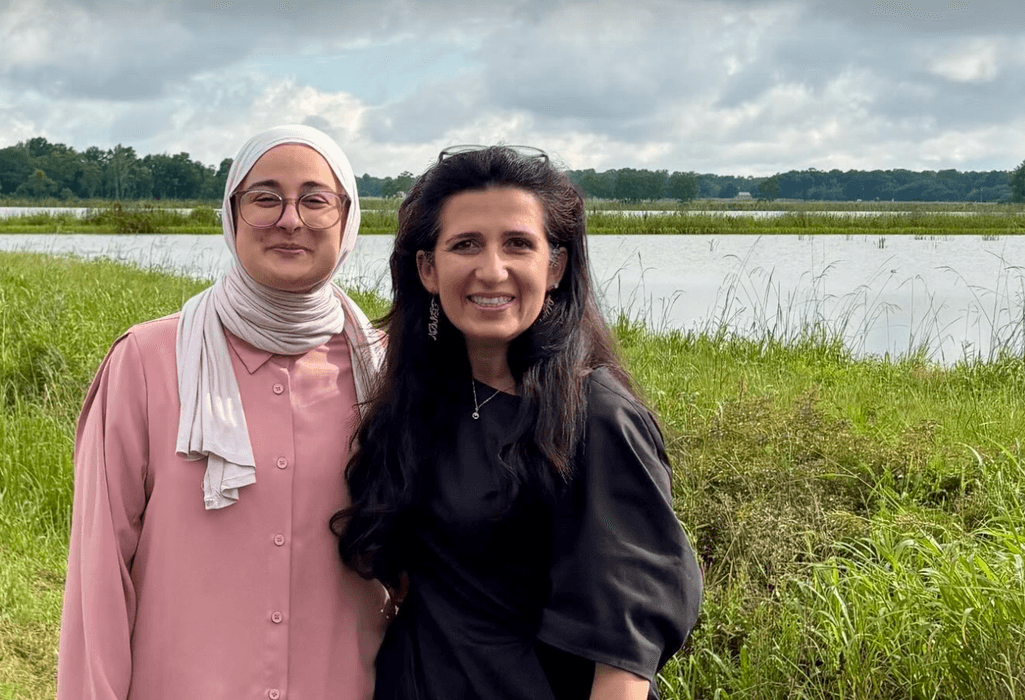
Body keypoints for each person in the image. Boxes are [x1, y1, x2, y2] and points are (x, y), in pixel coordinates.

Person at [332, 145, 702, 700]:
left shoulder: (595, 414)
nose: (492, 270)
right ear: (428, 269)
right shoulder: (419, 398)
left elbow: (624, 656)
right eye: (465, 244)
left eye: (518, 244)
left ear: (555, 266)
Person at [58, 125, 387, 700]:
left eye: (315, 199)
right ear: (231, 215)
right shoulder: (147, 361)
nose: (290, 219)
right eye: (265, 198)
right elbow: (99, 571)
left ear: (348, 218)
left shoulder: (388, 370)